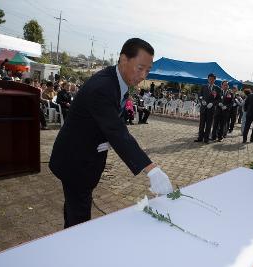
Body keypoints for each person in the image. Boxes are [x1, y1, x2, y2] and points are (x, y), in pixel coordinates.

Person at [49, 38, 173, 228]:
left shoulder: (117, 82)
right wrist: (151, 169)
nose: (143, 75)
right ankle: (75, 250)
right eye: (140, 68)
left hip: (86, 157)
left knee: (75, 208)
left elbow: (111, 123)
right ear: (124, 59)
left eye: (147, 71)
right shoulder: (103, 87)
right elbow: (117, 131)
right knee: (79, 220)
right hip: (75, 161)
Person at [194, 73, 220, 143]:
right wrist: (202, 101)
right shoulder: (203, 86)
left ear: (215, 80)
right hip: (203, 108)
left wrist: (213, 103)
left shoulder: (217, 88)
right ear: (208, 79)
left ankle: (206, 139)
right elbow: (200, 95)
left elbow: (218, 99)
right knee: (201, 124)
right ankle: (200, 137)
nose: (211, 80)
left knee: (208, 124)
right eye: (210, 79)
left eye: (212, 79)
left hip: (211, 109)